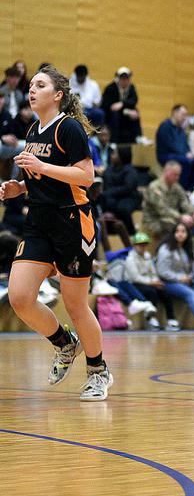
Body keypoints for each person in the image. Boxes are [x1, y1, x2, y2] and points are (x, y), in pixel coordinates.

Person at [0, 64, 113, 401]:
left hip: (72, 223)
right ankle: (65, 344)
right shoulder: (34, 129)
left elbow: (85, 177)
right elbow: (44, 179)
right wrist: (20, 187)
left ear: (58, 95)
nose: (31, 90)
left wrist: (41, 167)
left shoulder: (70, 128)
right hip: (38, 222)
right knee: (20, 297)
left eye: (40, 85)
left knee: (76, 304)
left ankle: (98, 371)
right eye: (31, 85)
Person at [156, 222, 194, 330]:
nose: (180, 234)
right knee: (190, 293)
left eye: (183, 231)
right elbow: (162, 271)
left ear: (187, 234)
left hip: (186, 281)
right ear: (173, 233)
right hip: (168, 283)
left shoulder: (189, 249)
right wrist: (180, 278)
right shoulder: (166, 249)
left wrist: (190, 278)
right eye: (177, 231)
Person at [123, 232, 174, 330]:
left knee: (164, 291)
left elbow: (153, 272)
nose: (142, 247)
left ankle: (171, 319)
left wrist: (156, 281)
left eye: (144, 244)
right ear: (134, 245)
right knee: (151, 292)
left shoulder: (147, 256)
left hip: (149, 282)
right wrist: (152, 283)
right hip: (134, 284)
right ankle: (151, 319)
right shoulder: (130, 259)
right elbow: (135, 277)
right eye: (140, 244)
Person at [156, 104, 194, 190]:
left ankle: (192, 188)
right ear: (174, 113)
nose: (185, 117)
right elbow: (170, 145)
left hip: (180, 155)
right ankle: (182, 189)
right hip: (167, 155)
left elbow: (185, 145)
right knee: (186, 161)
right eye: (183, 114)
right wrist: (185, 154)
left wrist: (189, 152)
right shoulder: (165, 126)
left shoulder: (181, 129)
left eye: (186, 115)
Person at [142, 160, 194, 240]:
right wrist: (181, 217)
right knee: (175, 227)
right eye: (175, 175)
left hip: (171, 218)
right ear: (166, 172)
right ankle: (171, 249)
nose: (177, 178)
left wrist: (193, 212)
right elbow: (162, 210)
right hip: (154, 220)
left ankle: (191, 247)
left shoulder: (176, 186)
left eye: (178, 175)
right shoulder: (155, 187)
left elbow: (184, 202)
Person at [100, 145, 141, 235]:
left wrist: (109, 193)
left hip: (129, 197)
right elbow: (106, 186)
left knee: (123, 208)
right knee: (105, 204)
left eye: (114, 154)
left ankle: (131, 233)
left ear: (121, 156)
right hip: (112, 197)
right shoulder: (109, 170)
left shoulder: (130, 171)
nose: (112, 155)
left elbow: (128, 188)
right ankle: (109, 234)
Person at [100, 67, 141, 144]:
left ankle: (138, 136)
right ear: (118, 79)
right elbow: (110, 107)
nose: (125, 81)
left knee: (136, 112)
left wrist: (122, 104)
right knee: (116, 115)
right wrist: (126, 110)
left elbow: (134, 101)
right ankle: (114, 141)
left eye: (127, 79)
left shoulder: (131, 87)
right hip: (110, 114)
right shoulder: (110, 88)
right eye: (123, 79)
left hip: (123, 113)